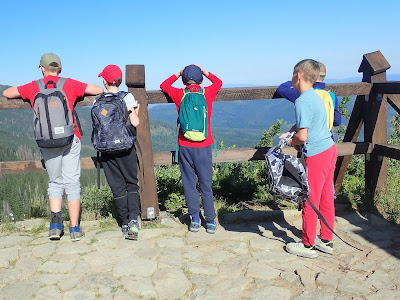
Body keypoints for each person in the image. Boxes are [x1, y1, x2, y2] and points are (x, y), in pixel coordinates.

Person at [2, 53, 103, 241]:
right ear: (60, 69)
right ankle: (74, 228)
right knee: (72, 182)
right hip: (70, 138)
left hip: (47, 142)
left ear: (42, 68)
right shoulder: (69, 84)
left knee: (54, 182)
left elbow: (7, 93)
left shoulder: (33, 87)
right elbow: (97, 89)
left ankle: (55, 226)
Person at [281, 59, 337, 258]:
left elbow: (303, 136)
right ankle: (326, 240)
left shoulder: (302, 100)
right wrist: (292, 134)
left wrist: (290, 141)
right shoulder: (316, 96)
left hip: (316, 154)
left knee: (310, 199)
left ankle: (307, 244)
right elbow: (309, 126)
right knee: (326, 196)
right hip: (330, 149)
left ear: (297, 76)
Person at [160, 64, 222, 234]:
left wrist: (177, 73)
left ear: (184, 80)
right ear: (201, 79)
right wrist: (205, 71)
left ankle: (194, 219)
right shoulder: (207, 93)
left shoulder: (180, 94)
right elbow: (218, 82)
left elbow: (164, 86)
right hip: (204, 145)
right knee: (206, 185)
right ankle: (210, 221)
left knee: (189, 184)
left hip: (185, 145)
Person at [96, 64, 141, 240]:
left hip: (106, 149)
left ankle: (123, 221)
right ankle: (133, 221)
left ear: (104, 81)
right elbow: (135, 123)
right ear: (120, 81)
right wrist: (135, 109)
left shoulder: (98, 100)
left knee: (117, 187)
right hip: (125, 147)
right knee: (131, 183)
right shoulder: (127, 97)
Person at [277, 61, 341, 133]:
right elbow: (337, 121)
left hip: (309, 138)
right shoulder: (330, 95)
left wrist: (297, 79)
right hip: (328, 137)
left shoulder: (303, 93)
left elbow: (281, 89)